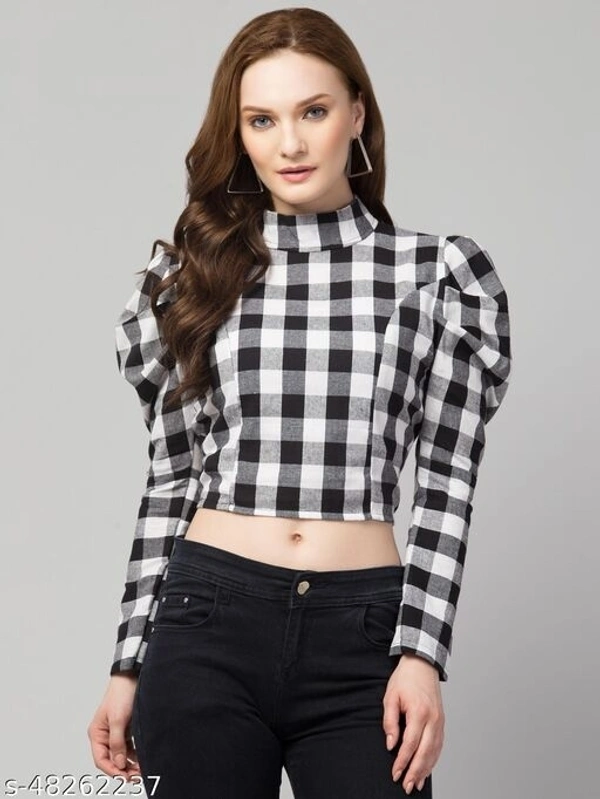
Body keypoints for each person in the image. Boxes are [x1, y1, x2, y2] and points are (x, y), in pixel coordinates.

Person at [87, 7, 512, 798]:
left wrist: (421, 653)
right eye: (262, 119)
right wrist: (126, 665)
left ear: (357, 115)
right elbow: (171, 481)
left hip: (364, 635)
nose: (289, 143)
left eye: (313, 111)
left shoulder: (436, 276)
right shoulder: (191, 282)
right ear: (239, 134)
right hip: (206, 621)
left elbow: (448, 483)